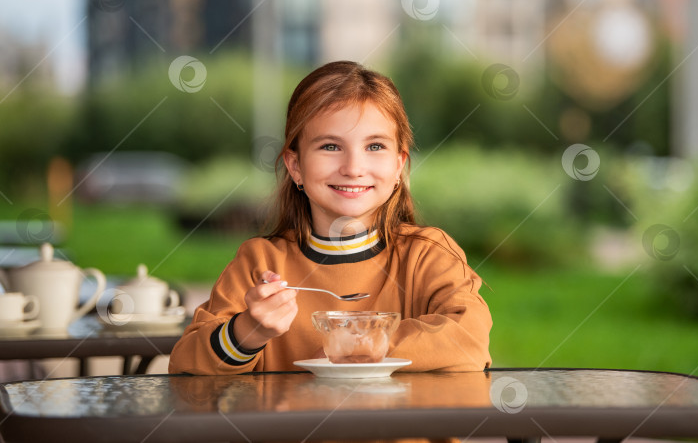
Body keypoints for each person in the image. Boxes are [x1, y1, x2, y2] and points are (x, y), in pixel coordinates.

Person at [169, 61, 492, 375]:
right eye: (330, 147)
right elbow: (185, 365)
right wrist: (247, 332)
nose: (353, 168)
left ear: (398, 166)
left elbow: (469, 337)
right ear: (296, 167)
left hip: (405, 432)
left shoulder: (427, 254)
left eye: (375, 146)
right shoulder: (261, 262)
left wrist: (359, 346)